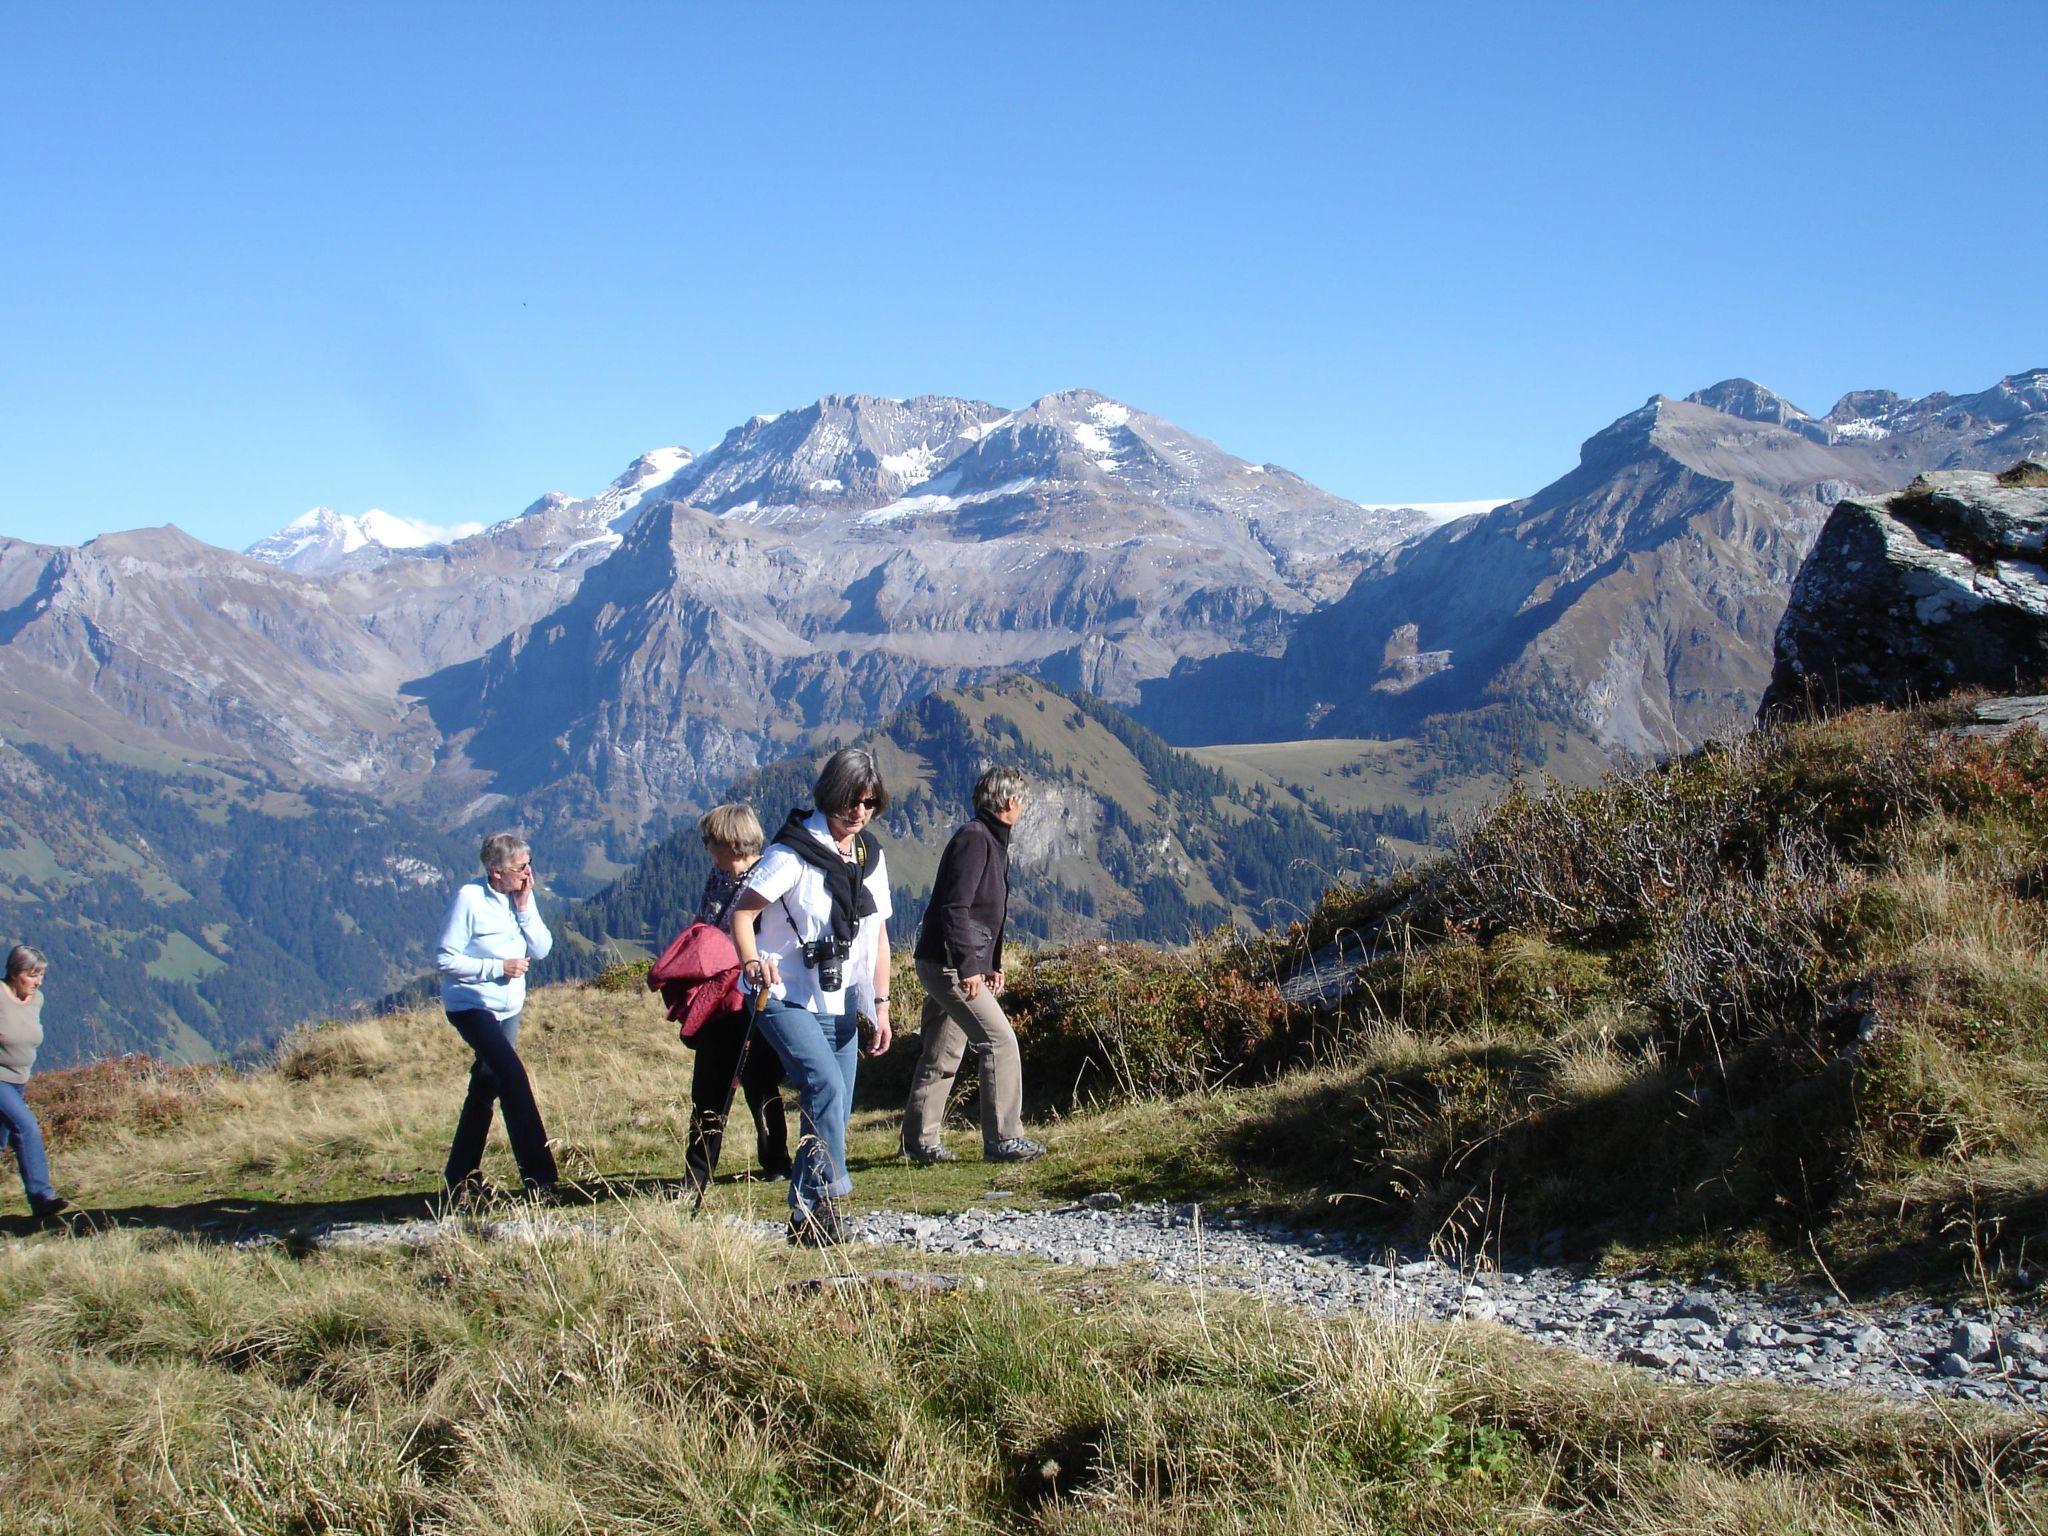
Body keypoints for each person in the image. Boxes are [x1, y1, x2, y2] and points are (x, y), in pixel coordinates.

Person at [730, 748, 895, 1245]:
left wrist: (881, 1005)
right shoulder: (792, 853)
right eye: (851, 801)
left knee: (835, 1104)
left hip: (841, 996)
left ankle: (803, 1218)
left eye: (869, 802)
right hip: (782, 991)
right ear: (829, 795)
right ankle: (829, 1198)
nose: (859, 812)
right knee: (823, 1084)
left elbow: (879, 935)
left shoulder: (869, 856)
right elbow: (742, 912)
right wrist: (751, 962)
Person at [902, 767, 1047, 1165]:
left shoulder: (988, 839)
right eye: (1022, 799)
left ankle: (919, 1141)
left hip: (943, 959)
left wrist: (991, 962)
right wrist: (969, 967)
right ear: (1009, 801)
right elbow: (956, 908)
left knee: (942, 1052)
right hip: (949, 965)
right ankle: (1003, 1138)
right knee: (999, 1041)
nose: (1023, 806)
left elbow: (987, 912)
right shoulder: (975, 839)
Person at [436, 832, 559, 1205]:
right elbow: (445, 959)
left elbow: (541, 947)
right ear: (495, 872)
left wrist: (524, 907)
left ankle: (460, 1179)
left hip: (509, 1008)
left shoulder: (521, 896)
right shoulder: (469, 900)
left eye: (529, 863)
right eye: (520, 867)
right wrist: (497, 967)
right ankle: (541, 1179)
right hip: (472, 1004)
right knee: (511, 1075)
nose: (528, 872)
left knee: (485, 1086)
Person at [682, 803, 791, 1190]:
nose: (707, 847)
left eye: (710, 840)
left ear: (730, 841)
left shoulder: (768, 877)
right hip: (719, 995)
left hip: (753, 993)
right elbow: (705, 925)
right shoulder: (719, 878)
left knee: (761, 1081)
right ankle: (698, 1170)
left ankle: (776, 1160)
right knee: (709, 1085)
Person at [0, 945, 71, 1222]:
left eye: (40, 975)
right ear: (15, 972)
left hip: (18, 1081)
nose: (38, 981)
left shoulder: (36, 1000)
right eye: (32, 975)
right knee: (26, 1126)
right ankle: (42, 1198)